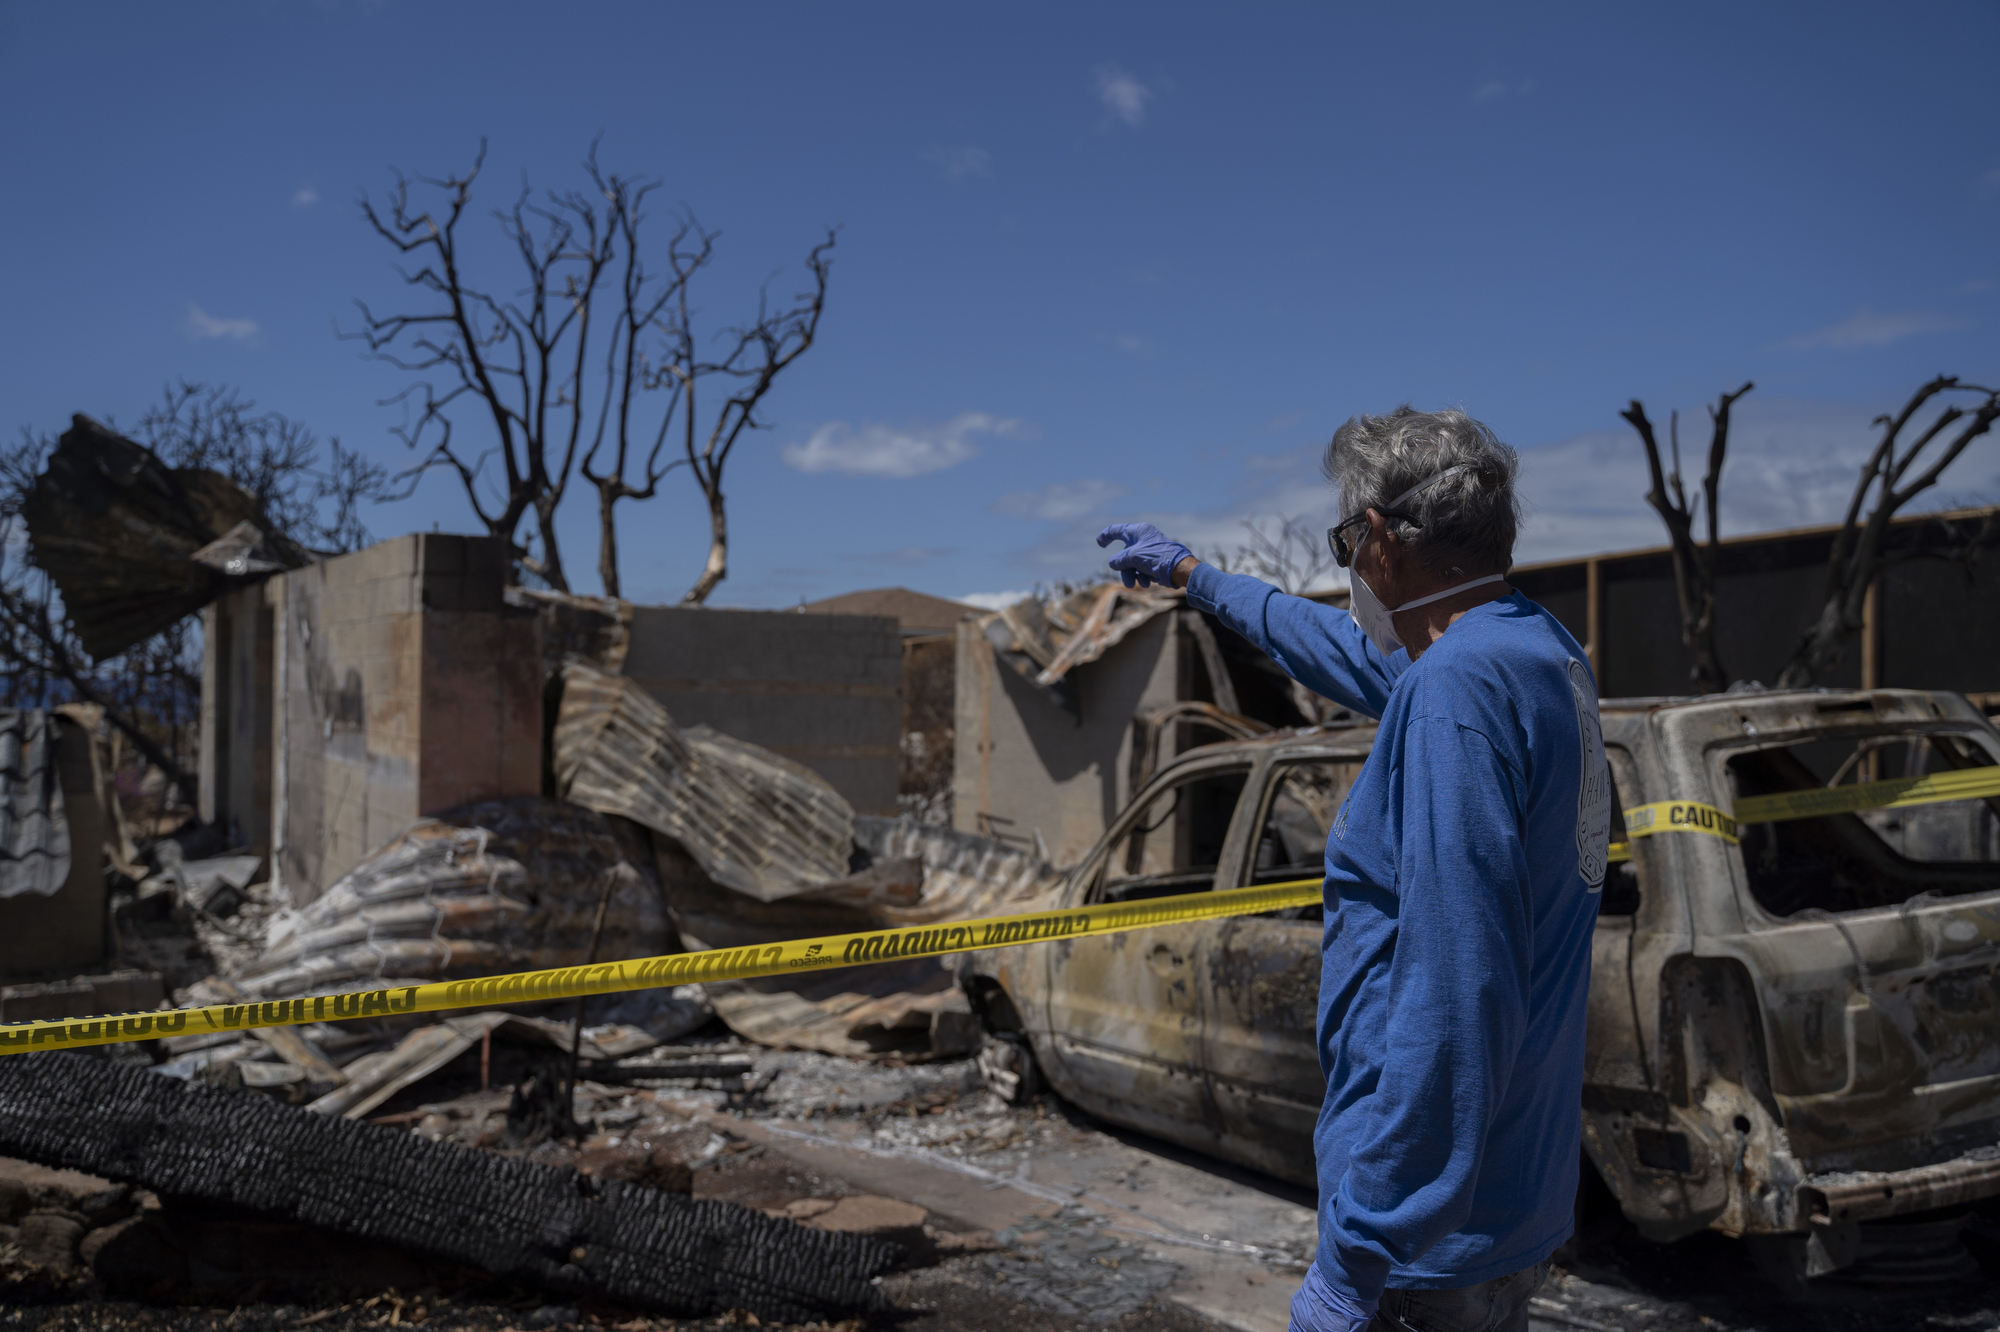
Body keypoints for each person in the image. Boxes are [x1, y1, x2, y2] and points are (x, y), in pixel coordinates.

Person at [1098, 407, 1608, 1332]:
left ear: (1377, 537)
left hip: (1426, 1248)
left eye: (1345, 538)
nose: (1348, 567)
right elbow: (1343, 649)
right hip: (1507, 1193)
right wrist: (1195, 577)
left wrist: (1358, 1252)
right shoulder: (1530, 650)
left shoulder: (1456, 690)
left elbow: (1459, 988)